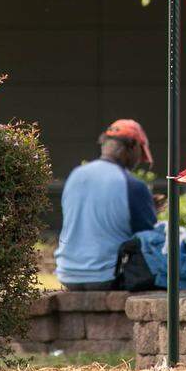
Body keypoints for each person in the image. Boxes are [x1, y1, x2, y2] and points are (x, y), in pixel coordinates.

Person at [54, 119, 158, 291]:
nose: (139, 160)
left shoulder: (76, 175)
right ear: (131, 147)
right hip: (107, 277)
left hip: (68, 275)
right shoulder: (133, 185)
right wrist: (149, 209)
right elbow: (147, 236)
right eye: (141, 153)